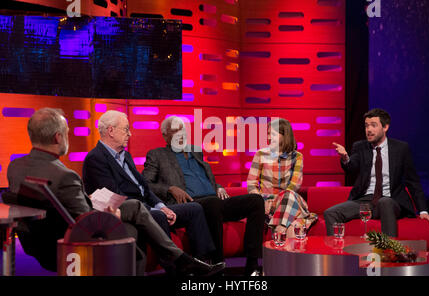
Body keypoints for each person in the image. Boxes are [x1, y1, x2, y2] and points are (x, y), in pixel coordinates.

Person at [7, 107, 224, 276]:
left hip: (38, 241)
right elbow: (89, 221)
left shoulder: (15, 167)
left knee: (139, 211)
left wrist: (90, 198)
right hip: (71, 241)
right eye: (67, 133)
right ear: (57, 137)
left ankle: (186, 261)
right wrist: (114, 214)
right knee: (132, 227)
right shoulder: (67, 174)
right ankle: (181, 263)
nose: (68, 137)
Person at [82, 110, 216, 262]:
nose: (130, 134)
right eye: (126, 129)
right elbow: (116, 197)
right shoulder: (96, 159)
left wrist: (161, 206)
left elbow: (144, 187)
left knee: (194, 209)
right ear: (110, 131)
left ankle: (203, 263)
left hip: (149, 207)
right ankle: (176, 269)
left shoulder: (125, 155)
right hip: (130, 212)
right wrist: (154, 210)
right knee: (158, 216)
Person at [141, 116, 266, 276]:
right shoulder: (157, 155)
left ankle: (252, 264)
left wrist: (219, 187)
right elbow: (145, 184)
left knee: (255, 201)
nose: (180, 134)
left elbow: (204, 178)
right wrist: (170, 188)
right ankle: (218, 263)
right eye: (175, 131)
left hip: (214, 200)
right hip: (192, 203)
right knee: (212, 203)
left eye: (182, 130)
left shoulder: (196, 150)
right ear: (165, 136)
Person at [325, 108, 429, 237]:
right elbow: (352, 166)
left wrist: (423, 211)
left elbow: (412, 181)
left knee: (385, 202)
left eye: (373, 125)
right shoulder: (360, 146)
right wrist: (345, 158)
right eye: (366, 126)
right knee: (330, 213)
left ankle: (390, 251)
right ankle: (337, 251)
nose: (369, 130)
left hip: (391, 200)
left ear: (385, 127)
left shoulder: (401, 148)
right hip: (365, 201)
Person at [247, 118, 318, 238]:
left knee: (288, 194)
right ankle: (285, 232)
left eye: (273, 134)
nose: (269, 137)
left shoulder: (297, 157)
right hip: (267, 202)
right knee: (294, 224)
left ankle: (279, 229)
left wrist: (278, 200)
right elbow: (251, 184)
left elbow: (294, 186)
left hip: (288, 199)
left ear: (285, 135)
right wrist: (260, 201)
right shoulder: (260, 154)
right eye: (268, 134)